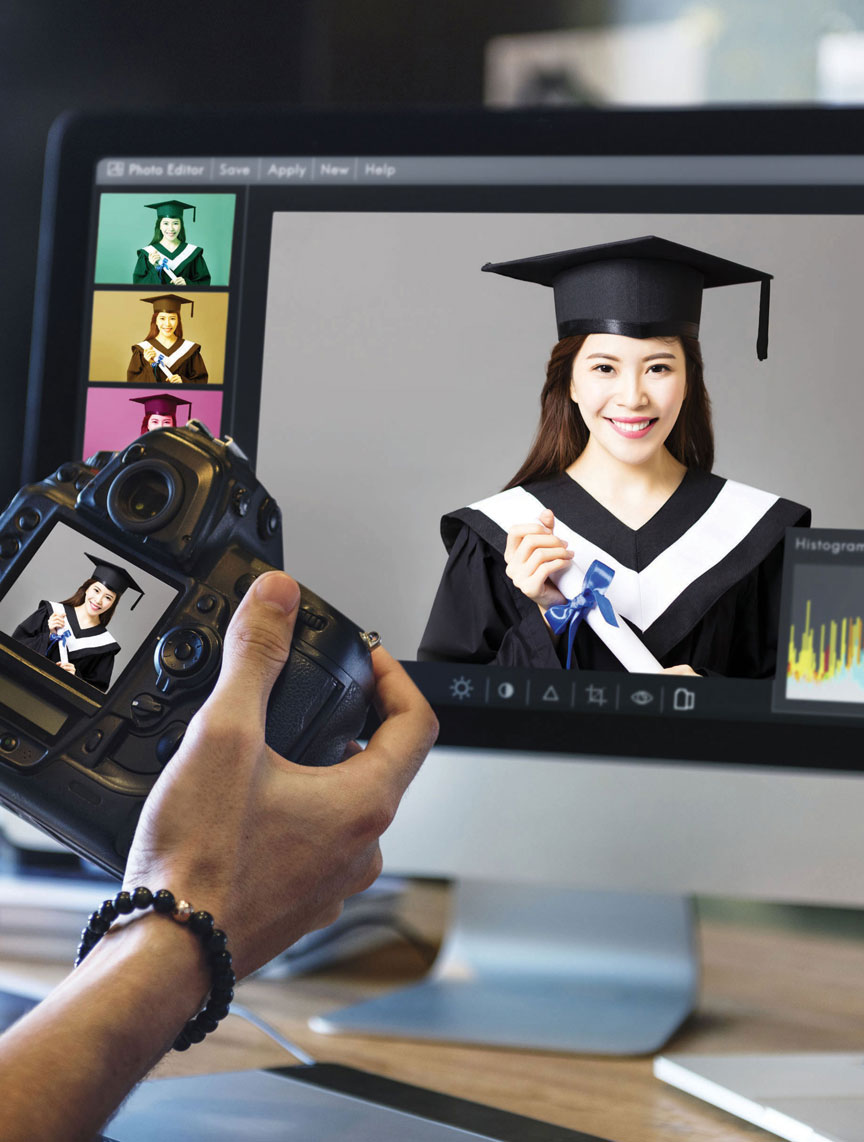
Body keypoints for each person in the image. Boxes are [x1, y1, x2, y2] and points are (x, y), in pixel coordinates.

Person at [0, 572, 437, 1141]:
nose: (103, 599)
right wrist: (188, 924)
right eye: (99, 590)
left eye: (112, 594)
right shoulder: (44, 613)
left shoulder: (102, 646)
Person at [419, 236, 810, 678]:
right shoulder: (503, 535)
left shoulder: (762, 533)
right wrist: (547, 621)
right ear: (569, 382)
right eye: (604, 368)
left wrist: (713, 702)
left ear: (689, 381)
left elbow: (825, 718)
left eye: (659, 367)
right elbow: (443, 721)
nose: (633, 397)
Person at [11, 554, 144, 691]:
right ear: (87, 589)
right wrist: (48, 636)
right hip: (15, 683)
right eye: (96, 590)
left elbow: (96, 692)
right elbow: (14, 644)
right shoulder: (52, 612)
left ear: (113, 604)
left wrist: (75, 677)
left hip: (52, 703)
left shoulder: (105, 647)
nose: (98, 600)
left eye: (108, 598)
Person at [126, 294, 208, 385]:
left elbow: (201, 382)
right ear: (155, 321)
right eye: (162, 318)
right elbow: (133, 384)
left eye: (172, 318)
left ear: (178, 321)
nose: (167, 324)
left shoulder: (190, 350)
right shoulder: (143, 350)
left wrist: (183, 382)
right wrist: (149, 365)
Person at [132, 198, 211, 287]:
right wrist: (154, 268)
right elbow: (138, 286)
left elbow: (204, 283)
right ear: (159, 226)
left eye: (176, 223)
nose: (171, 228)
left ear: (181, 226)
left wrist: (187, 283)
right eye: (166, 223)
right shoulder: (148, 253)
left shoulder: (193, 253)